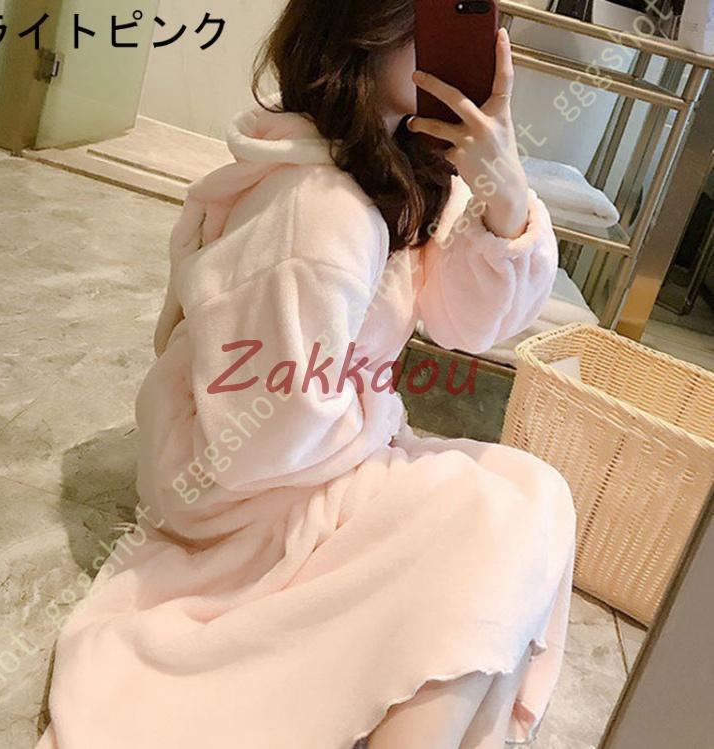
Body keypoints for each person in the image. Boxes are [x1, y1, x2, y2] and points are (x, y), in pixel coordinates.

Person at [36, 2, 576, 748]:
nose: (466, 45)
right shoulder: (319, 211)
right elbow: (263, 437)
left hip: (316, 452)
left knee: (529, 494)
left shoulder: (394, 168)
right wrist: (378, 430)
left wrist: (503, 194)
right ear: (367, 28)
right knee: (495, 522)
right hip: (248, 497)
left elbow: (468, 324)